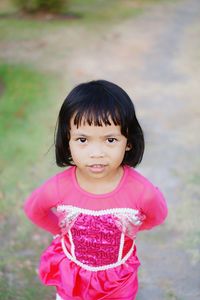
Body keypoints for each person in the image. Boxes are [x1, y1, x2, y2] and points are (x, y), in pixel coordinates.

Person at [24, 80, 168, 300]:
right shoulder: (59, 187)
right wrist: (60, 229)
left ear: (128, 141)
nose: (96, 153)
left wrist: (132, 229)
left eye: (110, 139)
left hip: (118, 282)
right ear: (67, 140)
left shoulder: (142, 192)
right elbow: (34, 209)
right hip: (72, 278)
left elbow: (158, 215)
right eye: (83, 139)